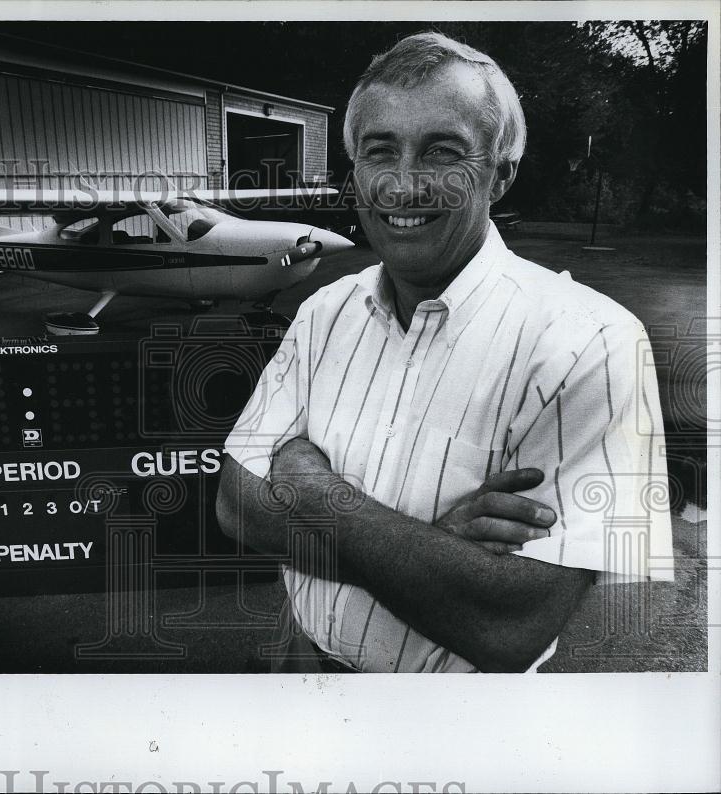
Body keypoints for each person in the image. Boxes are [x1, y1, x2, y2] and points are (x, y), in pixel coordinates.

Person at [216, 32, 674, 673]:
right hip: (298, 668)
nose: (403, 187)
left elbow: (509, 625)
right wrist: (431, 548)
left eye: (442, 152)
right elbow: (236, 507)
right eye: (380, 152)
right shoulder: (323, 313)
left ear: (502, 174)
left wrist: (307, 484)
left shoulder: (590, 344)